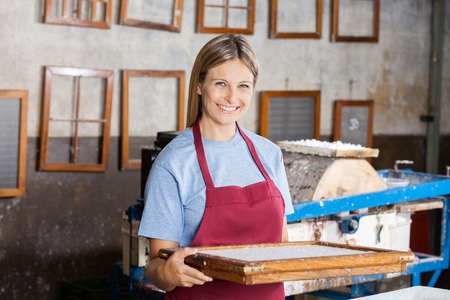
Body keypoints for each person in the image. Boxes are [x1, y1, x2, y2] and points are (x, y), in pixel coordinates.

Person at [138, 33, 294, 300]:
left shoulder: (269, 154)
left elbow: (282, 246)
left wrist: (336, 255)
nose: (232, 97)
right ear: (200, 85)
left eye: (243, 86)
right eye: (221, 83)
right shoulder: (173, 163)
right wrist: (168, 274)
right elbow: (155, 266)